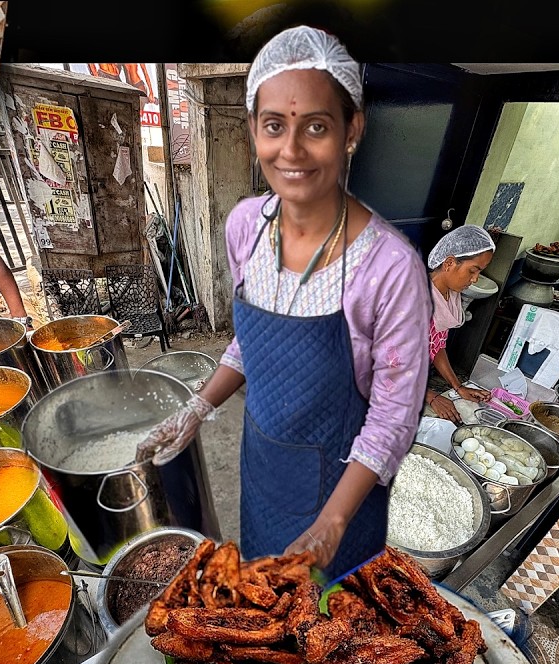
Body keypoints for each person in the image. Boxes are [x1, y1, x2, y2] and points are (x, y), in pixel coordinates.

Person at [134, 26, 431, 581]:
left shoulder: (389, 269)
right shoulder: (245, 226)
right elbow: (252, 342)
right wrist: (197, 409)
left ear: (352, 130)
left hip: (342, 492)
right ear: (253, 130)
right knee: (260, 605)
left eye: (316, 127)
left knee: (327, 631)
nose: (291, 151)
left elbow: (393, 417)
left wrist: (334, 523)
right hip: (263, 464)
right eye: (274, 126)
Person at [424, 225, 495, 422]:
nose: (475, 279)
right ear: (449, 263)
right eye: (473, 270)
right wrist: (430, 396)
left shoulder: (448, 297)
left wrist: (458, 387)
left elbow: (436, 346)